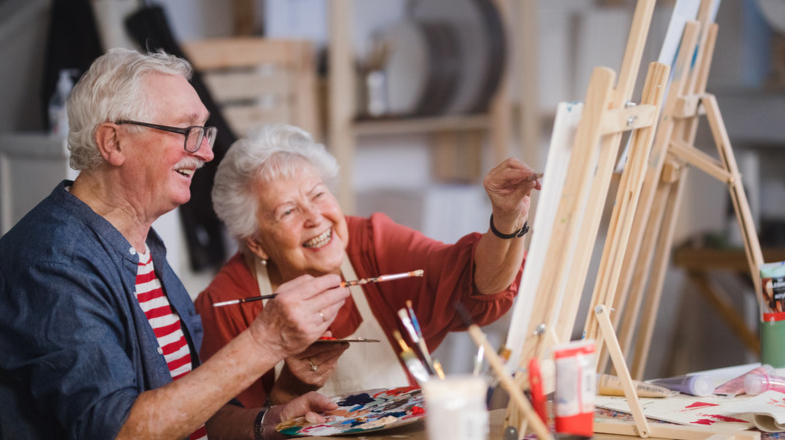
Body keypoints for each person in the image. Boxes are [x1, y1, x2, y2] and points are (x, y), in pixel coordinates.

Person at [0, 49, 351, 440]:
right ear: (113, 142)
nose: (205, 152)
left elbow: (194, 414)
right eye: (186, 132)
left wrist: (269, 421)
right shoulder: (51, 260)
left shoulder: (147, 247)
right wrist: (267, 340)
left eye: (204, 132)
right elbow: (119, 431)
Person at [195, 124, 542, 408]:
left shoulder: (370, 242)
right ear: (255, 242)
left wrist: (507, 219)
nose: (315, 218)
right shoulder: (224, 305)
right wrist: (290, 388)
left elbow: (475, 283)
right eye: (288, 211)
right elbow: (233, 431)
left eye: (318, 195)